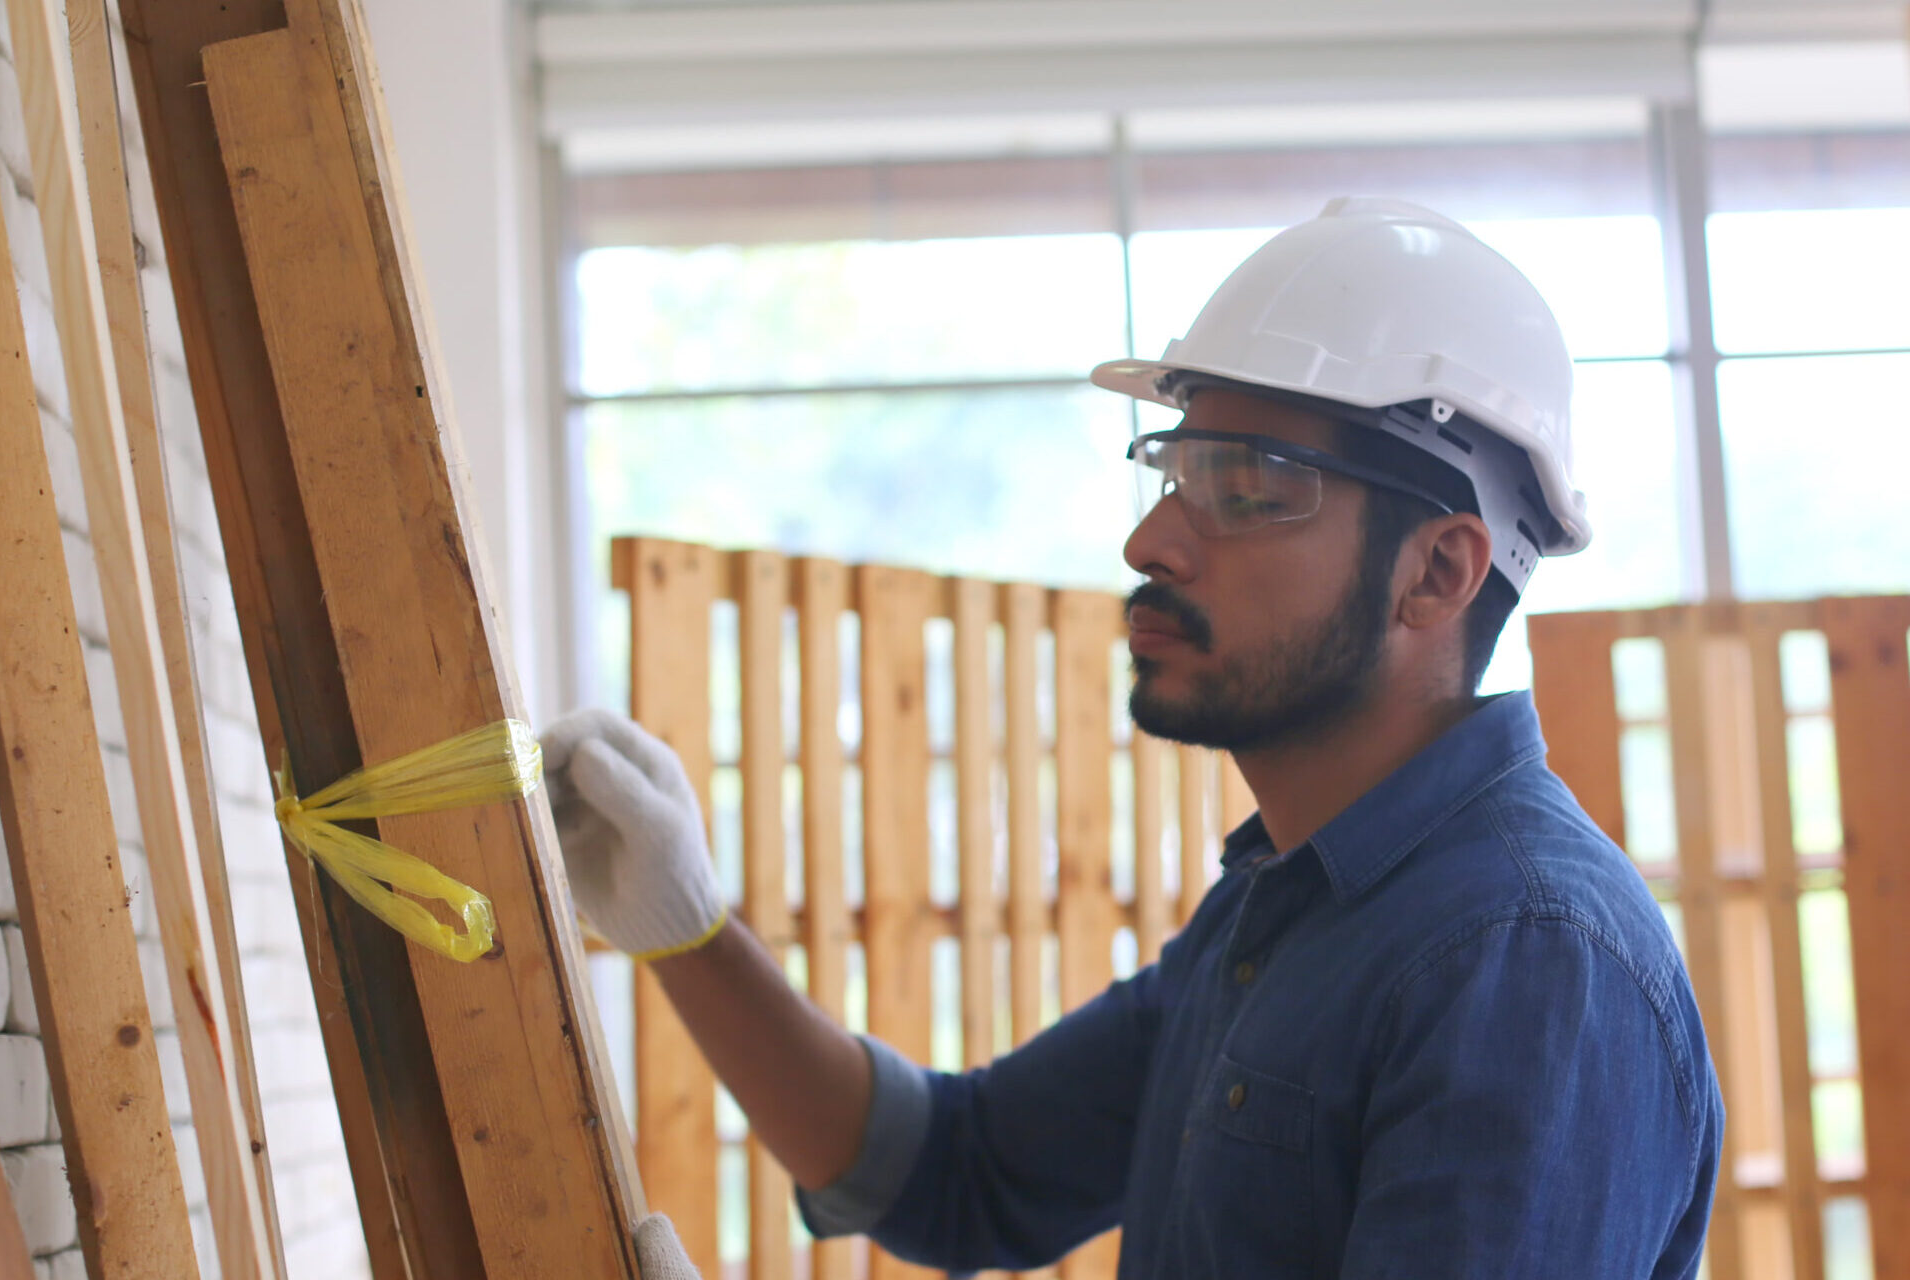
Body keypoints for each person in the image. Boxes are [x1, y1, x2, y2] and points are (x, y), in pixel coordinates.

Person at [545, 197, 1722, 1278]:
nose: (1152, 540)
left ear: (1437, 569)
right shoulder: (1284, 909)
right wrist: (685, 925)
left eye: (1250, 487)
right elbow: (959, 1170)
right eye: (1173, 471)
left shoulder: (1523, 959)